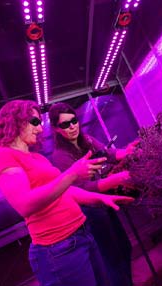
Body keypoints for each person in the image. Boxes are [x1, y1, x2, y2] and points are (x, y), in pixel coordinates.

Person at [0, 100, 134, 286]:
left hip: (81, 234)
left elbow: (64, 192)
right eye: (35, 122)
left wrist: (99, 198)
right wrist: (73, 173)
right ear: (16, 121)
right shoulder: (4, 156)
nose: (40, 129)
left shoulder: (38, 158)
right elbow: (24, 204)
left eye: (40, 123)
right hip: (59, 248)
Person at [49, 102, 138, 286]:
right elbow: (82, 188)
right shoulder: (60, 156)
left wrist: (127, 152)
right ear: (57, 129)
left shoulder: (86, 140)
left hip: (103, 203)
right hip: (90, 211)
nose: (72, 126)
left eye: (73, 121)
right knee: (112, 258)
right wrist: (114, 180)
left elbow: (108, 154)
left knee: (124, 247)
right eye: (65, 124)